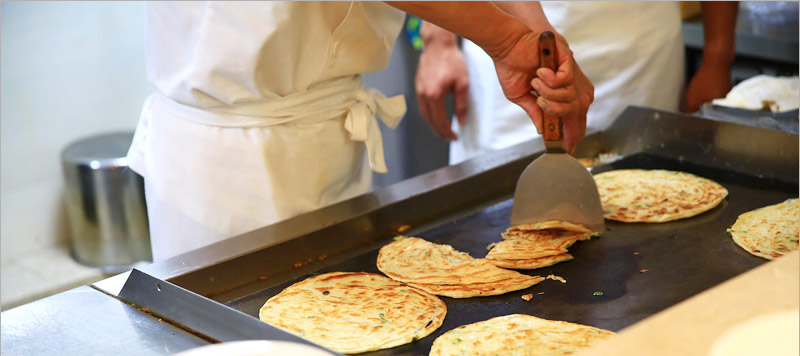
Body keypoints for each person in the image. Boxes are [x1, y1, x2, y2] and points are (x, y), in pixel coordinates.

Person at [127, 1, 593, 261]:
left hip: (329, 134)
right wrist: (508, 39)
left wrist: (540, 39)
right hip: (231, 162)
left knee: (338, 350)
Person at [414, 1, 739, 164]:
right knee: (493, 206)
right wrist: (437, 34)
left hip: (640, 41)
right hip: (501, 25)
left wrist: (719, 55)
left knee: (642, 187)